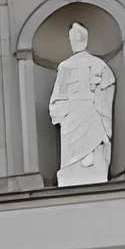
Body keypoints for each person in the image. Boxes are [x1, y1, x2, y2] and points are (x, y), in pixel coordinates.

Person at [49, 22, 116, 186]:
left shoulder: (93, 65)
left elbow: (107, 85)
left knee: (91, 141)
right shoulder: (69, 66)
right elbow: (59, 95)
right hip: (77, 113)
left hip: (85, 111)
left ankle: (90, 162)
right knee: (75, 149)